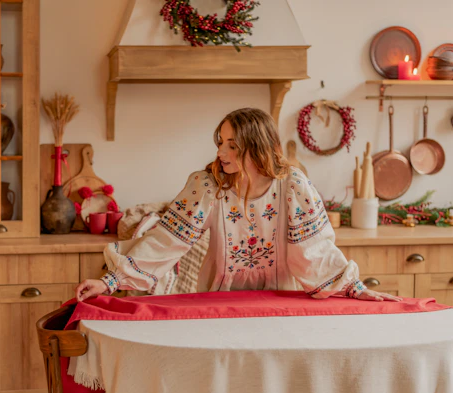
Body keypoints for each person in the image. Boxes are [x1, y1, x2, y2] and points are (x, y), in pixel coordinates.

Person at [75, 108, 401, 303]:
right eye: (221, 143)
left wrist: (354, 288)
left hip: (279, 306)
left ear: (256, 147)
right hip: (216, 304)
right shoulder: (208, 187)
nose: (221, 153)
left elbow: (315, 251)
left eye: (232, 146)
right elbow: (165, 241)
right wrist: (110, 282)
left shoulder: (293, 187)